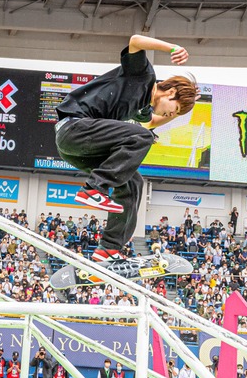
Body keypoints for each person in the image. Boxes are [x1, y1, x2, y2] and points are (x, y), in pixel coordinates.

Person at [55, 33, 197, 264]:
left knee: (132, 182)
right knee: (143, 137)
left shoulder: (141, 107)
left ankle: (109, 249)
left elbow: (151, 121)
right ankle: (93, 189)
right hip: (74, 128)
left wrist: (182, 107)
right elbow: (135, 40)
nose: (168, 115)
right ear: (171, 92)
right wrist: (172, 48)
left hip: (79, 148)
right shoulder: (142, 75)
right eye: (173, 109)